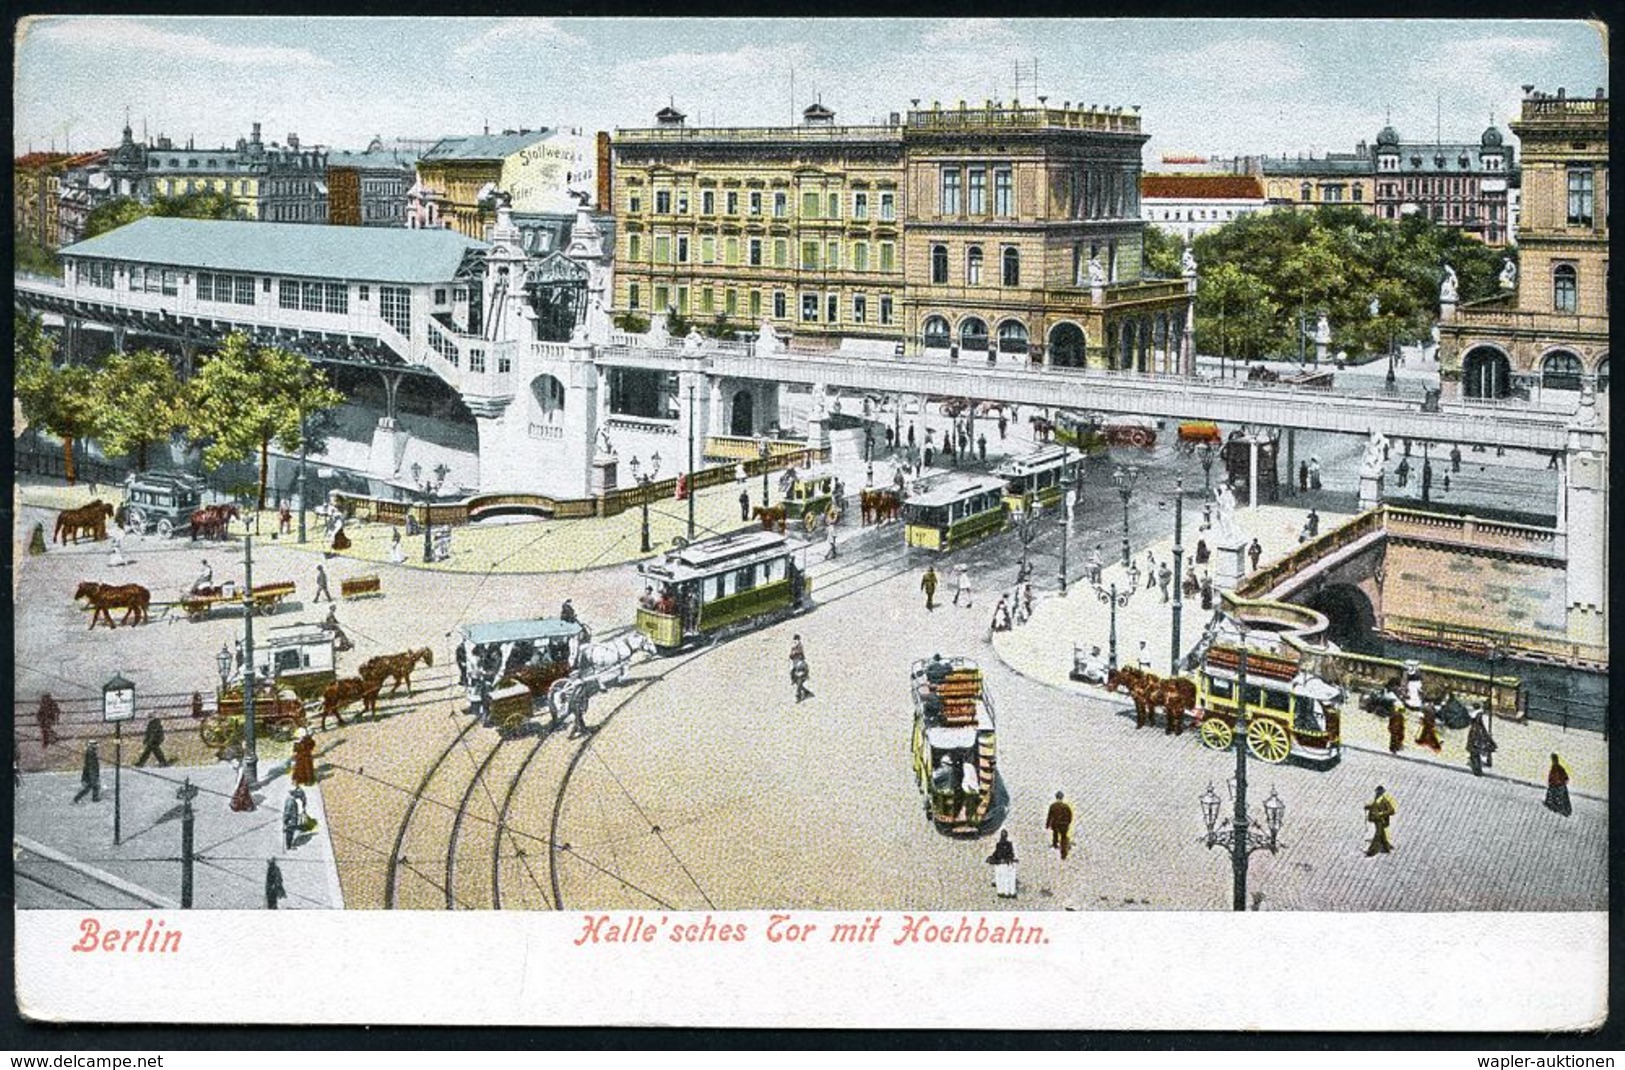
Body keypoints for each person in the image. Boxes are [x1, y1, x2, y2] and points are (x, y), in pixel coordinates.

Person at [1364, 785, 1397, 856]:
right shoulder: (1376, 799)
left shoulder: (1384, 801)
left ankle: (1371, 851)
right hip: (1376, 819)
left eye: (1378, 792)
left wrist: (1381, 813)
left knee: (1378, 835)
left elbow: (1391, 810)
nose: (1376, 793)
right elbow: (1374, 806)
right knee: (1382, 834)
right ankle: (1386, 847)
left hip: (1381, 820)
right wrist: (1368, 807)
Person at [986, 829, 1018, 898]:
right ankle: (1009, 892)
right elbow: (1011, 854)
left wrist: (993, 858)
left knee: (1001, 877)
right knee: (1007, 878)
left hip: (1001, 863)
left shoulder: (999, 844)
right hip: (1007, 863)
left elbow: (997, 853)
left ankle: (1002, 892)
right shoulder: (1008, 844)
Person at [1467, 708, 1497, 776]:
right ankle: (1483, 765)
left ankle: (1479, 769)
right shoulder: (1481, 717)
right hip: (1480, 738)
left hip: (1478, 739)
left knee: (1476, 752)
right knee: (1480, 752)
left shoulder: (1479, 717)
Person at [1045, 791, 1075, 861]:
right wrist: (1068, 822)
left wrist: (1047, 825)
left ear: (1056, 797)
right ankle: (1063, 852)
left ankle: (1055, 844)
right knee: (1064, 837)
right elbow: (1070, 815)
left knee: (1055, 833)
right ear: (1062, 797)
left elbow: (1050, 816)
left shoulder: (1053, 806)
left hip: (1056, 824)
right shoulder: (1066, 806)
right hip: (1064, 824)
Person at [282, 785, 307, 851]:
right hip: (291, 820)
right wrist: (285, 820)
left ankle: (289, 845)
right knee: (290, 833)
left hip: (291, 819)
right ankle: (289, 846)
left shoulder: (289, 799)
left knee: (290, 832)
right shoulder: (291, 801)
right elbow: (287, 812)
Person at [789, 635, 811, 703]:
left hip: (799, 664)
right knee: (796, 679)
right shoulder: (796, 646)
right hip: (796, 663)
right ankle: (805, 691)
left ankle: (798, 695)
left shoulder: (797, 645)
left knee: (798, 679)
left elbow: (794, 653)